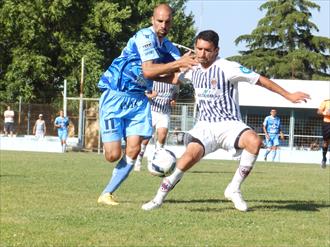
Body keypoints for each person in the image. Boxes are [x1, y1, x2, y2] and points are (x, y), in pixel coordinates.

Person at [141, 30, 310, 212]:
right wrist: (149, 77)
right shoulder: (192, 67)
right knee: (187, 159)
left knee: (255, 142)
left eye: (207, 50)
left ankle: (234, 188)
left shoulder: (229, 67)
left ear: (216, 50)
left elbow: (260, 80)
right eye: (198, 49)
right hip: (204, 126)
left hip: (230, 124)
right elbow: (173, 78)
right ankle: (158, 199)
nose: (201, 54)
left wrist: (288, 95)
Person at [97, 3, 197, 206]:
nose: (163, 25)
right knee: (113, 155)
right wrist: (178, 65)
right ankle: (114, 138)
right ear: (152, 20)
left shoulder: (168, 47)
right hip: (116, 95)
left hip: (139, 100)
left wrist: (195, 69)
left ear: (171, 23)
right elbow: (149, 71)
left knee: (133, 150)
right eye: (159, 21)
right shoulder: (144, 36)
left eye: (167, 21)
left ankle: (107, 194)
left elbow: (174, 74)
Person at [134, 81, 179, 171]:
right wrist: (151, 96)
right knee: (146, 138)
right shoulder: (153, 81)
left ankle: (157, 160)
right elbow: (143, 95)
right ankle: (138, 160)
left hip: (165, 112)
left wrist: (174, 100)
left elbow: (176, 93)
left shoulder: (173, 81)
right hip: (151, 112)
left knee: (162, 136)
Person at [317, 99, 330, 168]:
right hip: (327, 124)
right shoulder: (326, 102)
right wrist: (325, 113)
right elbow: (319, 111)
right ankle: (324, 159)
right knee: (326, 142)